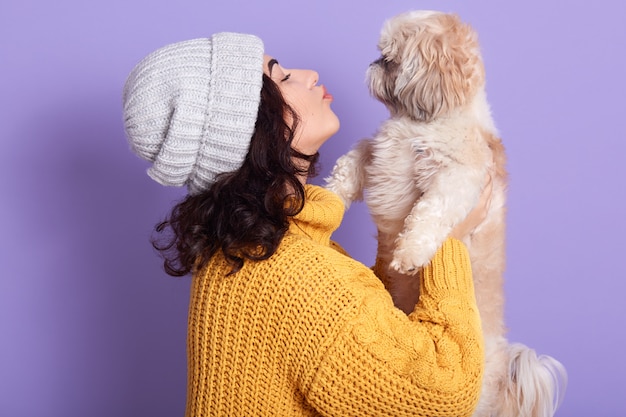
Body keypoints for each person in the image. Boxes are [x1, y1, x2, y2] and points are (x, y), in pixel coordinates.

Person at [123, 32, 489, 417]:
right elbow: (445, 393)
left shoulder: (260, 251)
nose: (310, 75)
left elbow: (375, 332)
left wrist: (397, 227)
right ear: (251, 127)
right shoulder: (288, 275)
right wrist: (447, 235)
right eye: (281, 78)